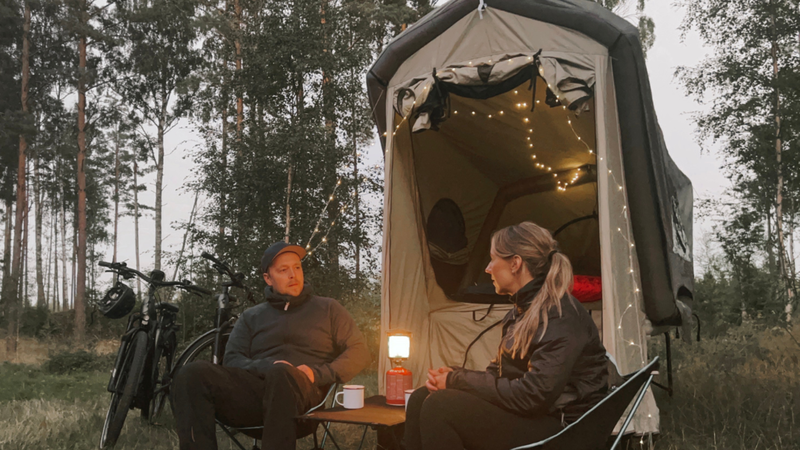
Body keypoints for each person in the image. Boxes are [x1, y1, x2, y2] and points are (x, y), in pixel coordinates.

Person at [404, 221, 608, 450]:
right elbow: (501, 375)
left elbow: (533, 396)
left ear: (515, 263)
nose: (488, 268)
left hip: (565, 429)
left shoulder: (561, 316)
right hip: (538, 415)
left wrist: (458, 380)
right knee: (421, 397)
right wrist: (456, 376)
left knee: (440, 406)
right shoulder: (522, 311)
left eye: (493, 259)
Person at [172, 241, 371, 450]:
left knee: (282, 374)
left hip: (304, 400)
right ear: (268, 278)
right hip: (254, 398)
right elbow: (232, 359)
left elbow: (360, 352)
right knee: (192, 373)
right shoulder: (252, 316)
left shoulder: (328, 309)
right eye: (283, 270)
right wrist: (268, 365)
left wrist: (317, 374)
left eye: (297, 267)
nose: (293, 275)